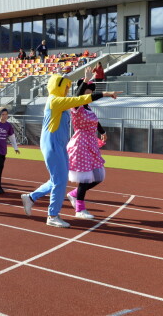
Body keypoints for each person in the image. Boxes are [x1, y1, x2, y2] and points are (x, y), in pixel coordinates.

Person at [21, 67, 121, 228]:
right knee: (60, 181)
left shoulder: (60, 101)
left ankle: (31, 197)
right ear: (58, 86)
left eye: (68, 87)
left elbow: (76, 100)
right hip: (51, 143)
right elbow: (78, 100)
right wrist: (105, 93)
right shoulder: (54, 100)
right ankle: (52, 215)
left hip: (60, 144)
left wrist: (86, 79)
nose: (68, 89)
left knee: (57, 179)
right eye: (65, 87)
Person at [66, 78, 108, 219]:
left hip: (91, 143)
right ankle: (80, 209)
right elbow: (78, 97)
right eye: (86, 94)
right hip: (81, 143)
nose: (88, 96)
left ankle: (74, 194)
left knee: (98, 177)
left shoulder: (88, 109)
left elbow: (95, 122)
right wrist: (85, 80)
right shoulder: (76, 106)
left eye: (90, 94)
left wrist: (102, 132)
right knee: (85, 178)